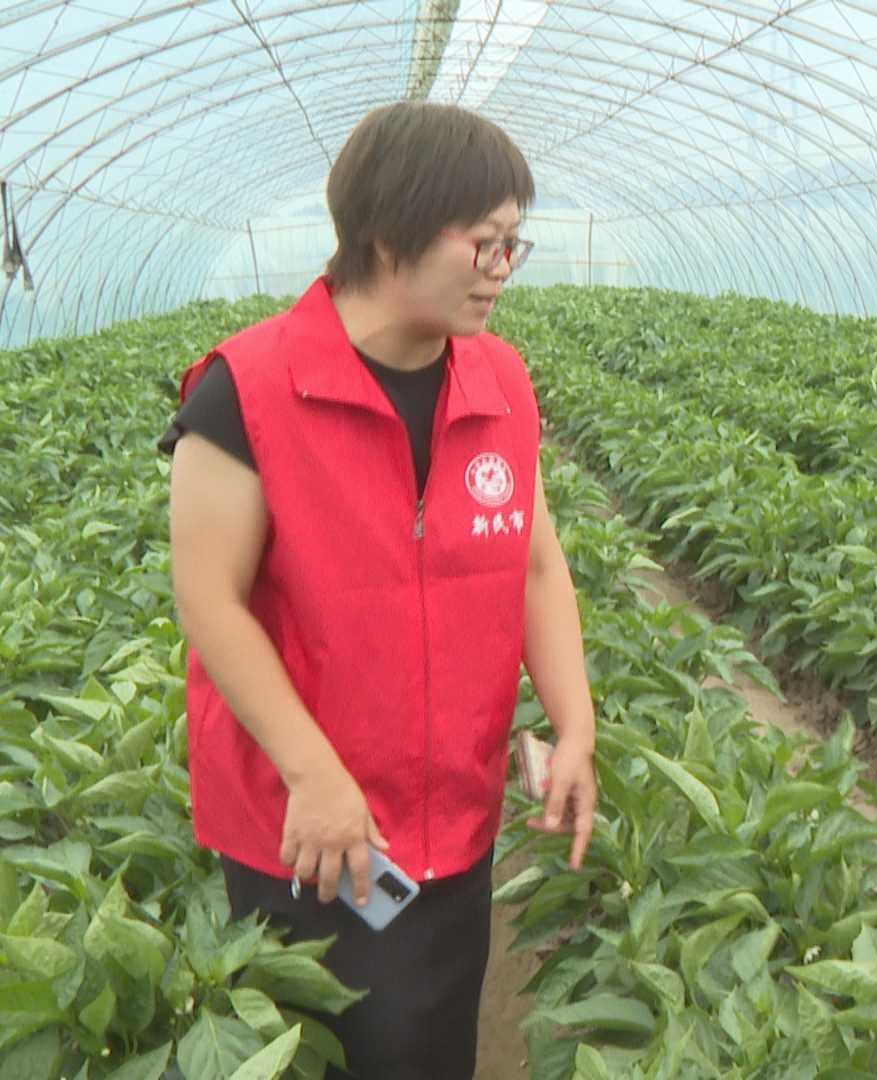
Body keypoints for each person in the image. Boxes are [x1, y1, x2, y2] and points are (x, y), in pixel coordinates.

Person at [164, 102, 598, 1079]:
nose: (502, 268)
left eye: (512, 246)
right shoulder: (245, 390)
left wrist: (573, 724)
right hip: (310, 834)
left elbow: (534, 560)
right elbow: (210, 600)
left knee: (429, 1049)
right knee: (333, 1052)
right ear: (390, 231)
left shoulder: (500, 383)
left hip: (455, 816)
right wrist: (314, 775)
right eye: (484, 242)